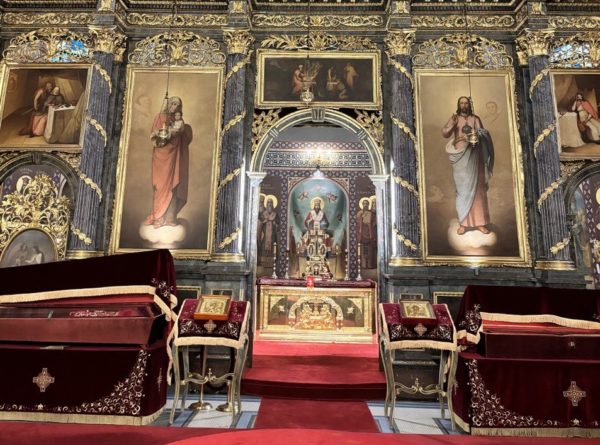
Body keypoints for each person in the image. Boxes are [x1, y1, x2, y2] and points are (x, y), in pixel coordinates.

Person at [442, 96, 494, 235]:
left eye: (466, 103)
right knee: (462, 190)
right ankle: (463, 224)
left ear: (469, 105)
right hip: (460, 157)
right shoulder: (455, 118)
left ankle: (480, 223)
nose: (464, 105)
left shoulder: (475, 119)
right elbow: (445, 133)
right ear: (458, 105)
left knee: (478, 190)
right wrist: (452, 125)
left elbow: (484, 134)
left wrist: (477, 134)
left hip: (475, 156)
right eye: (462, 103)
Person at [145, 96, 191, 228]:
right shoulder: (160, 117)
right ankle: (159, 218)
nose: (174, 107)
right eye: (173, 103)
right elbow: (155, 136)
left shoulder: (179, 121)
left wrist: (183, 130)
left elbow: (184, 135)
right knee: (160, 186)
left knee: (173, 186)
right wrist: (162, 134)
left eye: (177, 105)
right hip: (161, 157)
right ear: (168, 104)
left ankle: (170, 217)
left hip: (174, 156)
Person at [356, 198, 376, 269]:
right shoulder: (359, 213)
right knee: (362, 249)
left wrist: (370, 225)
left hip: (369, 232)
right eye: (364, 204)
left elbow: (374, 223)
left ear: (368, 205)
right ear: (362, 205)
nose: (365, 205)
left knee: (370, 249)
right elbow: (357, 222)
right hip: (362, 233)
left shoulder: (371, 214)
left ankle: (370, 265)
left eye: (367, 204)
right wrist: (361, 219)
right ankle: (363, 265)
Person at [259, 197, 279, 261]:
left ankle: (272, 260)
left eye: (271, 202)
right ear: (266, 204)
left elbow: (278, 224)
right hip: (264, 235)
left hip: (272, 235)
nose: (269, 204)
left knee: (273, 245)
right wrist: (264, 221)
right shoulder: (263, 214)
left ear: (273, 204)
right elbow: (260, 223)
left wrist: (275, 224)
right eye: (268, 202)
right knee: (263, 245)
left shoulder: (275, 214)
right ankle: (263, 260)